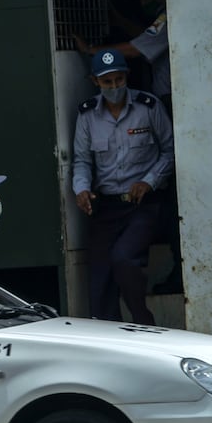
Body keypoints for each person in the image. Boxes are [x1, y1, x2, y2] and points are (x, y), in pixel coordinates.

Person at [72, 48, 174, 324]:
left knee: (124, 259)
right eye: (107, 82)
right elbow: (81, 161)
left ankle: (143, 321)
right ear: (95, 82)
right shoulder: (87, 116)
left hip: (143, 205)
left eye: (119, 80)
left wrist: (149, 181)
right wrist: (81, 189)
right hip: (106, 207)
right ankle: (110, 336)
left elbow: (170, 151)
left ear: (126, 77)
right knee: (100, 280)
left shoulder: (148, 107)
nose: (114, 87)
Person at [73, 0, 170, 112]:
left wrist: (89, 49)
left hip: (169, 96)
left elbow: (134, 50)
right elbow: (144, 38)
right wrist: (120, 22)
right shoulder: (166, 16)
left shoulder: (169, 17)